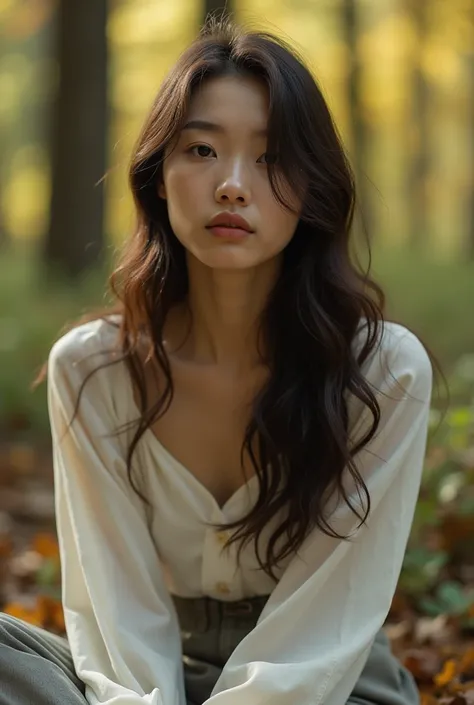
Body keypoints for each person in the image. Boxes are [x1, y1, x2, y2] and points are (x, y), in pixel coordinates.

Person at [0, 18, 435, 705]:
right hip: (152, 678)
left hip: (327, 686)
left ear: (313, 187)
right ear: (159, 177)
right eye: (201, 149)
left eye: (269, 158)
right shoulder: (92, 370)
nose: (232, 185)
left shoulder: (383, 371)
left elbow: (326, 629)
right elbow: (115, 622)